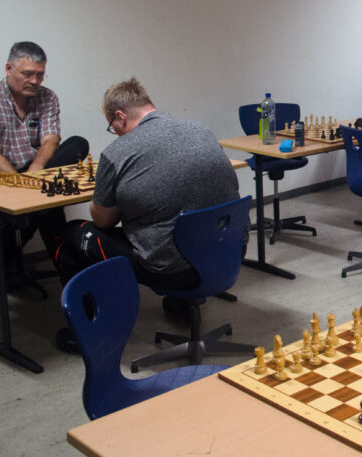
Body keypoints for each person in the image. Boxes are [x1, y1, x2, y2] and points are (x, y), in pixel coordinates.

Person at [53, 77, 241, 352]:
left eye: (112, 126)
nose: (115, 133)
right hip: (227, 254)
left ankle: (84, 332)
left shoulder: (117, 152)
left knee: (73, 233)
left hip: (170, 270)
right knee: (180, 215)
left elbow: (103, 221)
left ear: (120, 116)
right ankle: (180, 304)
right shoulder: (201, 130)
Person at [0, 42, 90, 267]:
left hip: (32, 172)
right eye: (28, 74)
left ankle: (69, 271)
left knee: (78, 144)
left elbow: (50, 140)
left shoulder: (47, 97)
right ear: (9, 69)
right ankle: (69, 271)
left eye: (40, 75)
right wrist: (24, 189)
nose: (35, 81)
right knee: (49, 207)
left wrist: (36, 171)